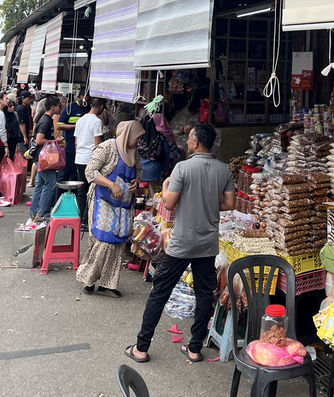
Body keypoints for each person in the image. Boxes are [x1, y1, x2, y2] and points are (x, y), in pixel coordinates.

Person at [126, 123, 235, 363]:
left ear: (196, 142)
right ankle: (195, 348)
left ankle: (141, 347)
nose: (186, 141)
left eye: (189, 138)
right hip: (207, 243)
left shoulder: (182, 168)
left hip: (183, 241)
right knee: (205, 293)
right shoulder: (224, 170)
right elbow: (229, 205)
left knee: (160, 291)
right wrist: (206, 203)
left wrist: (165, 187)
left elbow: (170, 203)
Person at [76, 119, 145, 297]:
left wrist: (136, 183)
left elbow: (138, 171)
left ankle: (108, 284)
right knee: (104, 240)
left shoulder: (133, 152)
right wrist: (111, 185)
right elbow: (90, 172)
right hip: (103, 201)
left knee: (118, 243)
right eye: (137, 137)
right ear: (128, 134)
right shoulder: (107, 147)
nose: (138, 141)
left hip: (124, 204)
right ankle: (89, 279)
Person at [28, 96, 64, 223]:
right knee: (50, 183)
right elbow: (39, 140)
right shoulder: (46, 120)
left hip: (42, 157)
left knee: (40, 184)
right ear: (53, 107)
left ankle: (35, 212)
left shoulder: (46, 119)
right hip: (44, 158)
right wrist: (55, 141)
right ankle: (43, 213)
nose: (60, 107)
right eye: (58, 105)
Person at [74, 97, 105, 225]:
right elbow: (97, 144)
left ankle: (80, 219)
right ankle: (87, 219)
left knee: (82, 190)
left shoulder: (80, 120)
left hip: (79, 158)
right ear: (101, 107)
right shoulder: (97, 121)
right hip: (90, 159)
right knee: (91, 190)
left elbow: (76, 142)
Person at [57, 92, 88, 182]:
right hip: (70, 143)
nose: (87, 101)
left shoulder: (88, 109)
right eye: (86, 98)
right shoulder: (70, 108)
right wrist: (76, 126)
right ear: (79, 97)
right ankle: (61, 194)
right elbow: (59, 125)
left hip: (83, 144)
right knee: (66, 171)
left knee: (76, 173)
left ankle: (74, 193)